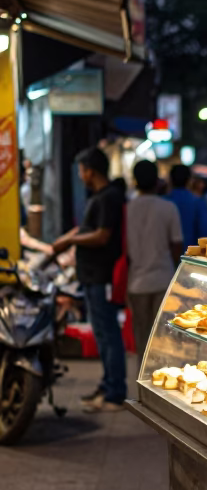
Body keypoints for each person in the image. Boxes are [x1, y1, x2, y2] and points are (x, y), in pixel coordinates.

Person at [52, 146, 127, 412]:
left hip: (102, 276)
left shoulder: (108, 197)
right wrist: (70, 237)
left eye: (82, 170)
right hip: (93, 275)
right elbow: (89, 230)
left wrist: (71, 240)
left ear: (90, 171)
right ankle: (108, 386)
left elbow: (102, 235)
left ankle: (115, 393)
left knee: (108, 334)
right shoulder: (101, 196)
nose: (80, 175)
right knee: (102, 332)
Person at [126, 160, 184, 357]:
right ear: (157, 181)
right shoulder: (169, 208)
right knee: (162, 343)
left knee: (142, 343)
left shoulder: (127, 208)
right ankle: (160, 384)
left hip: (136, 283)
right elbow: (177, 245)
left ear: (134, 181)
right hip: (163, 280)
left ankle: (142, 386)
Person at [166, 164, 207, 251]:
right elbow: (204, 233)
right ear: (189, 180)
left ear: (170, 180)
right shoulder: (198, 202)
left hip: (167, 258)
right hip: (190, 257)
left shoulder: (164, 202)